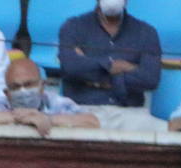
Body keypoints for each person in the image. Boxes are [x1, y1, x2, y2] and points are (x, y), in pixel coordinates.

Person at [58, 0, 165, 130]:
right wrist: (116, 66)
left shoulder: (146, 32)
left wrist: (93, 73)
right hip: (82, 110)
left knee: (169, 134)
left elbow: (150, 79)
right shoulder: (73, 26)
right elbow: (72, 68)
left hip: (130, 113)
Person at [0, 58, 102, 136]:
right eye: (15, 87)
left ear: (42, 86)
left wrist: (48, 119)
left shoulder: (56, 102)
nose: (23, 90)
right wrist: (21, 117)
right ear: (7, 93)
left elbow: (92, 122)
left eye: (28, 84)